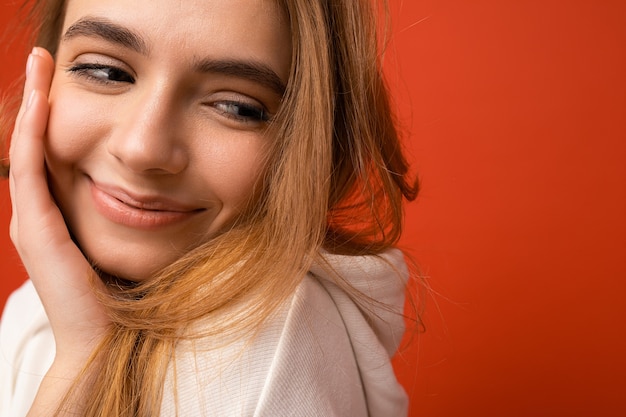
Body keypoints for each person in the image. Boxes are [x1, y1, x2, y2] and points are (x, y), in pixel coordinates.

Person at [0, 0, 419, 415]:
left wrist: (81, 357)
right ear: (46, 73)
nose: (142, 148)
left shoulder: (265, 343)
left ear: (311, 143)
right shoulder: (45, 302)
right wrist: (83, 341)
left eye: (236, 107)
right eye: (106, 72)